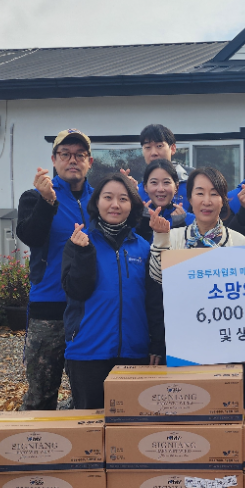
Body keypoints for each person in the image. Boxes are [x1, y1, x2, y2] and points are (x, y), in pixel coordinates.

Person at [147, 166, 245, 407]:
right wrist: (160, 238)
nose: (207, 201)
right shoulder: (174, 237)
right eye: (199, 193)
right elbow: (157, 279)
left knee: (231, 413)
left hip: (231, 348)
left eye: (214, 193)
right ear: (189, 199)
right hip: (184, 346)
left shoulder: (239, 242)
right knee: (189, 414)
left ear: (223, 200)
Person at [61, 173, 164, 409]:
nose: (115, 205)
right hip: (87, 351)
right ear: (97, 202)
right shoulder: (78, 242)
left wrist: (157, 344)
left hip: (134, 352)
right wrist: (84, 252)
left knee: (130, 431)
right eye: (108, 197)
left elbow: (153, 301)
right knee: (90, 430)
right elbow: (75, 291)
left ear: (132, 205)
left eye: (123, 199)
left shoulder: (143, 247)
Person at [15, 128, 94, 410]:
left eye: (79, 155)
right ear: (54, 159)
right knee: (41, 395)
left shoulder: (101, 201)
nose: (72, 160)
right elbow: (30, 236)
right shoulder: (35, 197)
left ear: (89, 162)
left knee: (86, 394)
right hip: (49, 309)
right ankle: (35, 449)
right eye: (65, 154)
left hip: (89, 311)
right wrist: (47, 202)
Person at [135, 158, 193, 243]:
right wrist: (142, 228)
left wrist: (180, 228)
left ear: (176, 187)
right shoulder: (134, 219)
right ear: (145, 187)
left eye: (166, 182)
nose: (160, 189)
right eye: (154, 182)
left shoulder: (191, 220)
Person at [137, 124, 191, 209]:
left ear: (172, 148)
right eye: (147, 147)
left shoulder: (191, 183)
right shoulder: (138, 190)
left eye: (159, 146)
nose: (153, 153)